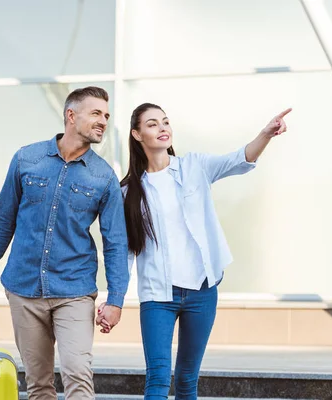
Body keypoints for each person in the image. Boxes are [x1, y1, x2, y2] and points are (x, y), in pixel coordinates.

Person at [112, 102, 291, 399]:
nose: (163, 128)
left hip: (201, 291)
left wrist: (266, 134)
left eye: (166, 122)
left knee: (186, 379)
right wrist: (114, 301)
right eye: (153, 124)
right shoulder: (128, 192)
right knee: (157, 378)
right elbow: (125, 251)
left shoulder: (194, 166)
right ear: (137, 134)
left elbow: (239, 159)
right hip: (158, 296)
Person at [0, 86, 130, 400]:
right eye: (96, 113)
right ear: (71, 115)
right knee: (39, 383)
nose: (103, 121)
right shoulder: (26, 159)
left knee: (77, 373)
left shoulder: (104, 176)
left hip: (74, 290)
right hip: (24, 287)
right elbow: (3, 221)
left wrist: (116, 299)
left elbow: (116, 243)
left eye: (106, 115)